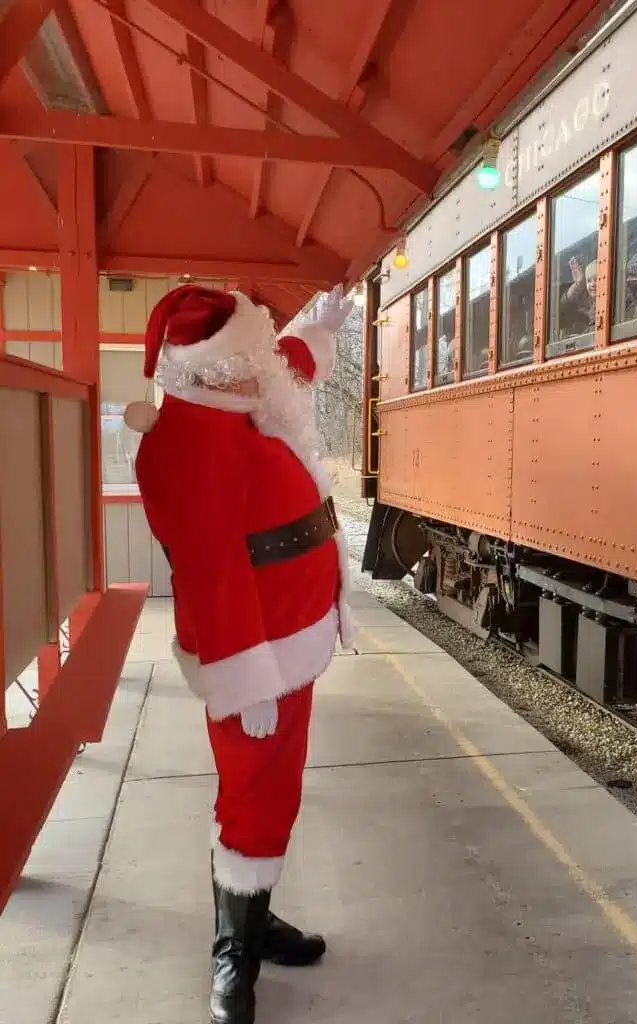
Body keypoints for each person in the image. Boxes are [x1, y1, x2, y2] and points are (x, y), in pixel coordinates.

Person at [123, 283, 353, 1024]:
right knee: (252, 797)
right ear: (208, 378)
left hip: (294, 639)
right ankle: (235, 954)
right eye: (246, 366)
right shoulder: (183, 449)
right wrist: (243, 679)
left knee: (276, 789)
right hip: (253, 658)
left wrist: (319, 330)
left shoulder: (244, 389)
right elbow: (211, 574)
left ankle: (256, 920)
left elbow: (285, 363)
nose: (265, 374)